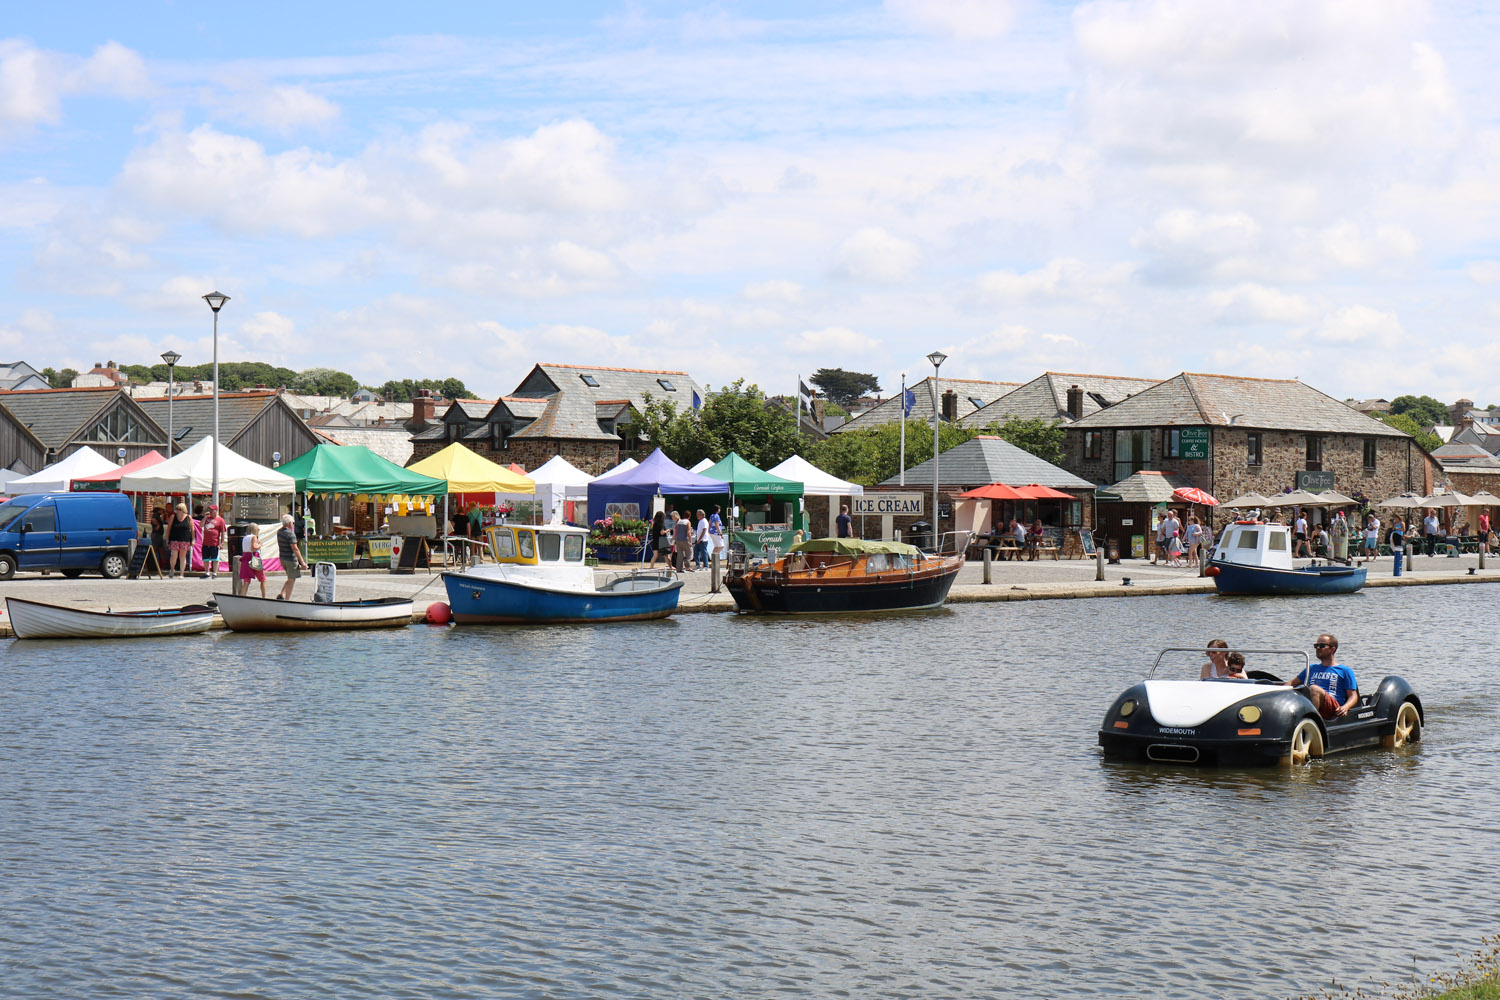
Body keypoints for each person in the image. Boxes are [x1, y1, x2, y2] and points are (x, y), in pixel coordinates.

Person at [1288, 633, 1359, 720]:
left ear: (1332, 649)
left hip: (1333, 708)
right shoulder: (1312, 668)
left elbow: (1353, 696)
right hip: (1312, 703)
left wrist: (1345, 707)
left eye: (1322, 646)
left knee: (1314, 688)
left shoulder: (1344, 671)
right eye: (1316, 646)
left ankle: (1311, 721)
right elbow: (1292, 683)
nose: (1318, 648)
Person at [276, 513, 310, 600]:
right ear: (289, 523)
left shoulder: (279, 532)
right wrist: (302, 562)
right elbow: (295, 549)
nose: (293, 524)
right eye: (293, 522)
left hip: (282, 557)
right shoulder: (290, 534)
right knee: (292, 579)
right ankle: (287, 599)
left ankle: (282, 594)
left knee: (290, 577)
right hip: (290, 559)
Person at [240, 524, 267, 599]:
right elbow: (254, 547)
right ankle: (264, 597)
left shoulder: (245, 537)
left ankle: (242, 597)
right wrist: (260, 544)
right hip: (254, 558)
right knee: (263, 579)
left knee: (246, 581)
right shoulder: (254, 537)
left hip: (245, 558)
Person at [167, 502, 194, 577]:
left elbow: (192, 529)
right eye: (177, 509)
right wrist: (167, 538)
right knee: (173, 555)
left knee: (182, 556)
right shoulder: (173, 517)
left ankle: (181, 573)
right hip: (174, 539)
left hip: (185, 539)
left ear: (183, 510)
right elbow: (169, 528)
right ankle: (172, 569)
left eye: (179, 509)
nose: (178, 511)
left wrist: (193, 539)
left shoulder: (188, 518)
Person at [200, 503, 226, 580]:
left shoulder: (220, 520)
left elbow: (222, 532)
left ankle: (214, 572)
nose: (210, 511)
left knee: (215, 559)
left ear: (216, 510)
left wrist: (221, 543)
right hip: (206, 542)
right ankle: (207, 572)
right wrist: (205, 517)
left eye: (212, 510)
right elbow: (201, 525)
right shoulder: (207, 518)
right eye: (210, 510)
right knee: (206, 558)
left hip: (215, 542)